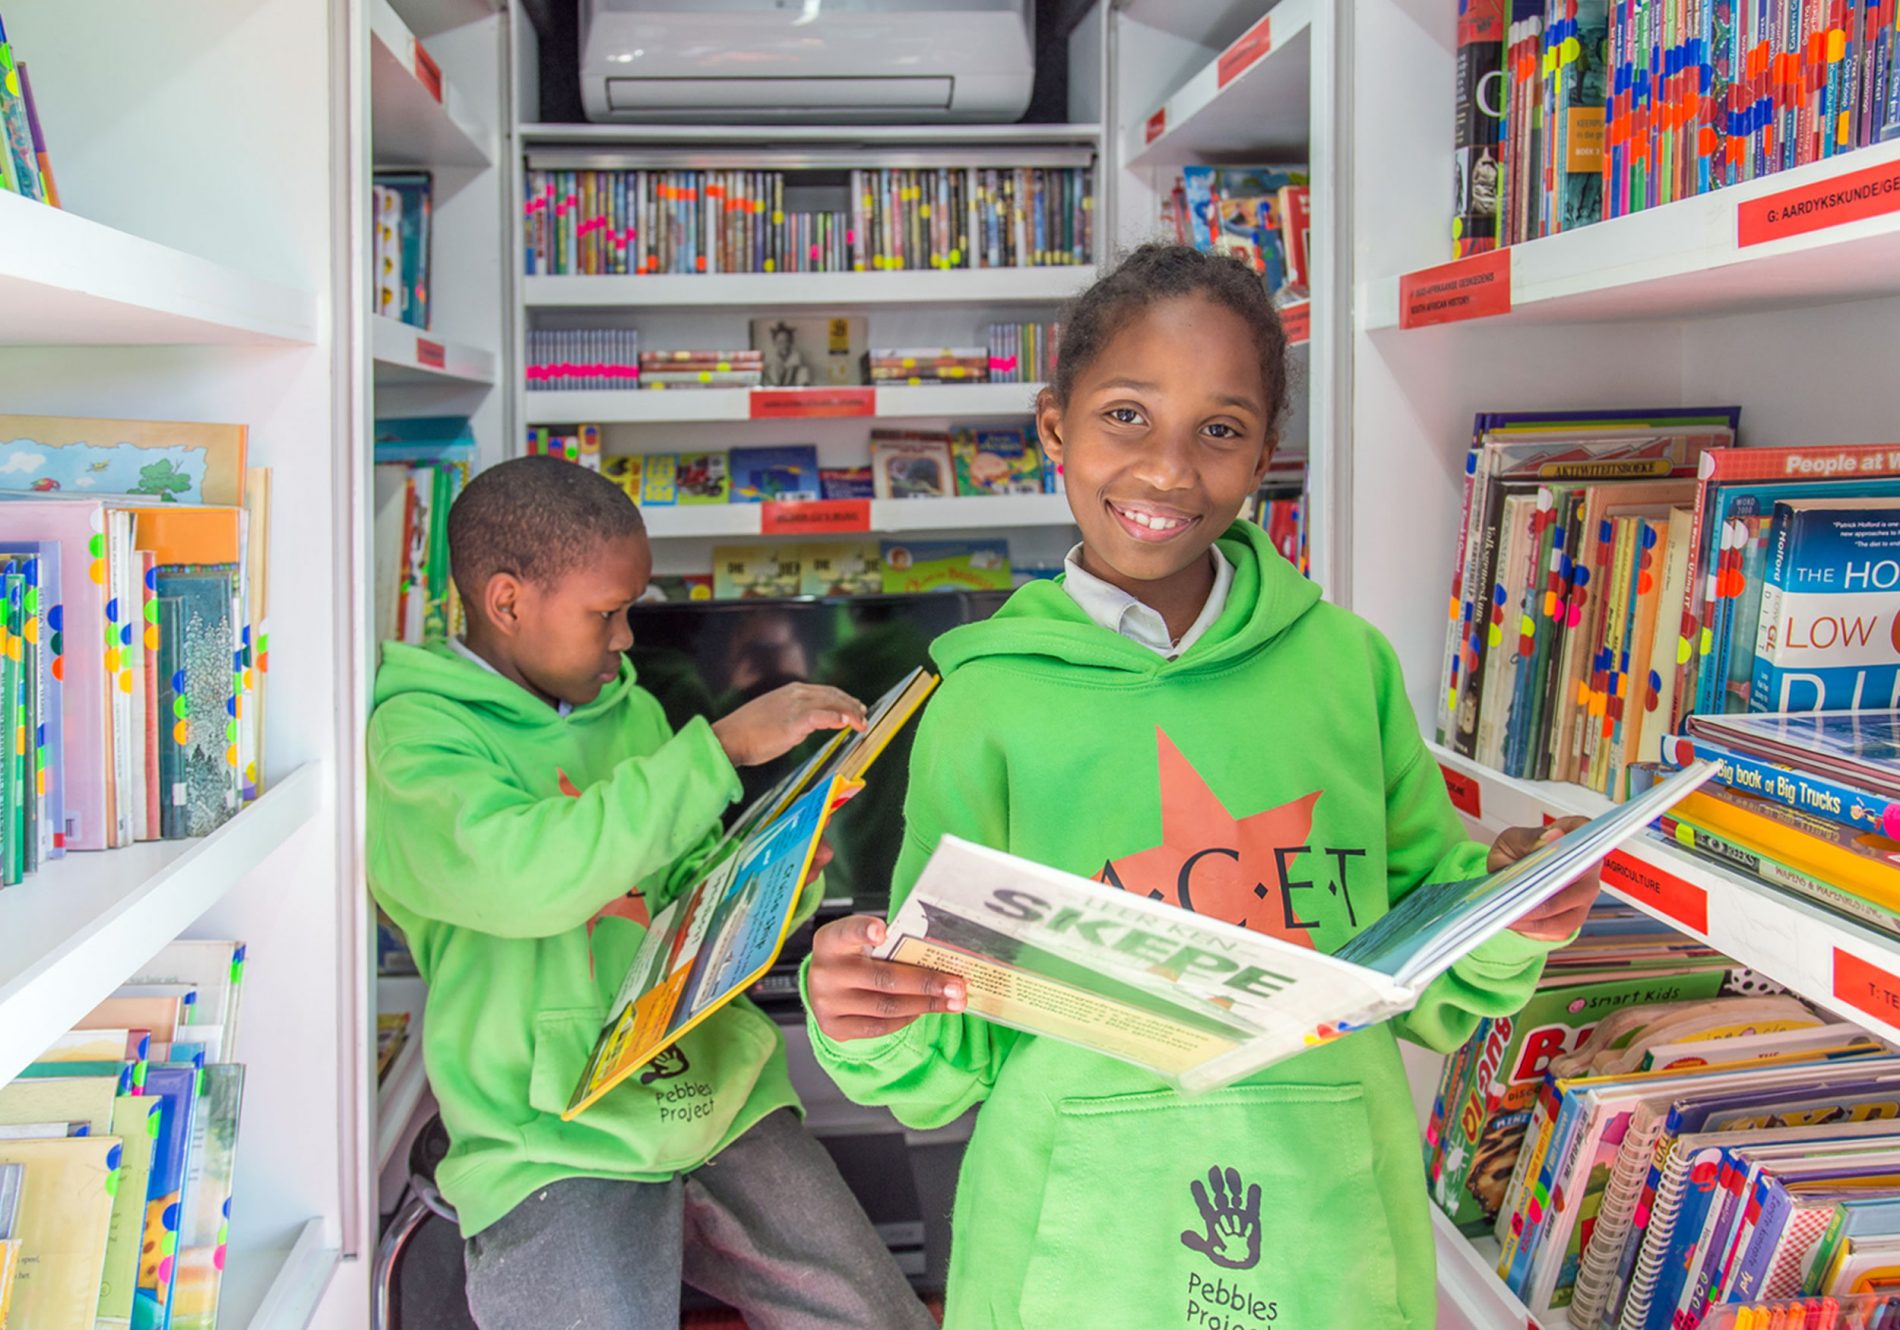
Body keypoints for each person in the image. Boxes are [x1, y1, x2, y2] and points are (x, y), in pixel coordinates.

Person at [801, 243, 1603, 1329]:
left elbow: (1431, 951)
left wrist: (1512, 910)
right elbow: (946, 1034)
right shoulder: (981, 692)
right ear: (1053, 428)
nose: (1168, 470)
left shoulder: (1344, 665)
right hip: (1076, 1242)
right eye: (1126, 414)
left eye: (1218, 430)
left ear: (1264, 452)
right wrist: (864, 1016)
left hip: (1328, 1211)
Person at [366, 456, 935, 1330]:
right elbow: (526, 878)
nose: (627, 638)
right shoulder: (414, 738)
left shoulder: (625, 708)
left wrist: (787, 861)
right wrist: (719, 752)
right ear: (508, 602)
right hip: (547, 1132)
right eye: (609, 613)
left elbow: (680, 887)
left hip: (711, 1090)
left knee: (874, 1314)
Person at [761, 320, 814, 387]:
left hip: (794, 394)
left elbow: (802, 380)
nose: (784, 345)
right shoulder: (771, 362)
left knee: (803, 370)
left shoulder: (798, 360)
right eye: (780, 342)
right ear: (775, 343)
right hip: (776, 394)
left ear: (791, 342)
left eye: (786, 341)